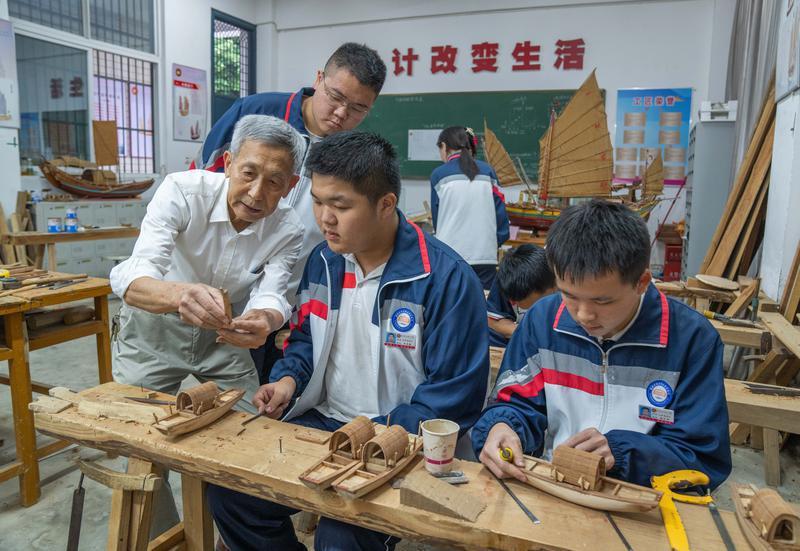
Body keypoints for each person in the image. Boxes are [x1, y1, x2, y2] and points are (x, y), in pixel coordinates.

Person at [207, 131, 490, 551]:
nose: (325, 218)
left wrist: (379, 435)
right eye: (317, 202)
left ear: (385, 204)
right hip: (325, 423)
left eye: (340, 206)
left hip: (399, 438)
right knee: (231, 491)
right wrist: (287, 381)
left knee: (341, 534)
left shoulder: (445, 279)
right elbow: (305, 339)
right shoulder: (324, 261)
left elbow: (454, 396)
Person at [472, 199, 732, 490]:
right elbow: (515, 403)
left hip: (645, 498)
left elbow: (702, 458)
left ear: (642, 282)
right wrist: (502, 426)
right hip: (555, 487)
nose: (584, 315)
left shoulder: (692, 340)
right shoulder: (542, 322)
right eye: (569, 295)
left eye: (603, 301)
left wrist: (622, 455)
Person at [193, 42, 387, 381]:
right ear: (318, 79)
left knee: (266, 387)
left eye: (358, 108)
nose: (341, 114)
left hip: (287, 297)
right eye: (335, 97)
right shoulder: (256, 112)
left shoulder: (352, 154)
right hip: (219, 283)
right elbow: (202, 185)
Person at [111, 114, 306, 408]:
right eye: (248, 173)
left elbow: (272, 292)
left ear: (290, 185)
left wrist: (266, 319)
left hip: (224, 334)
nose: (256, 194)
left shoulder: (288, 229)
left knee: (251, 421)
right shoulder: (182, 192)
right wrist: (180, 295)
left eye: (274, 182)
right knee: (134, 421)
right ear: (228, 163)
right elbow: (136, 276)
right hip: (154, 329)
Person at [429, 126, 510, 290]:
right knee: (483, 300)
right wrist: (494, 242)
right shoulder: (488, 172)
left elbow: (437, 220)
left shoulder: (439, 175)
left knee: (451, 299)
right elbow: (500, 214)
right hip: (485, 255)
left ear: (444, 146)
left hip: (449, 256)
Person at [487, 244, 555, 347]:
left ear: (554, 286)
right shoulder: (510, 275)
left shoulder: (569, 287)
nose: (514, 302)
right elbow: (492, 320)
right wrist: (529, 334)